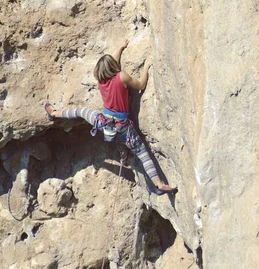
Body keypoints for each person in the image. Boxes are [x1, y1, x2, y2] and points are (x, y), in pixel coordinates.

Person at [44, 39, 176, 195]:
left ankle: (53, 113)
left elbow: (113, 62)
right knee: (143, 154)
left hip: (103, 122)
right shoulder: (122, 77)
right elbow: (140, 85)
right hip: (122, 127)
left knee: (80, 111)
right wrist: (146, 66)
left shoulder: (101, 80)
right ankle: (159, 185)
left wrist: (120, 47)